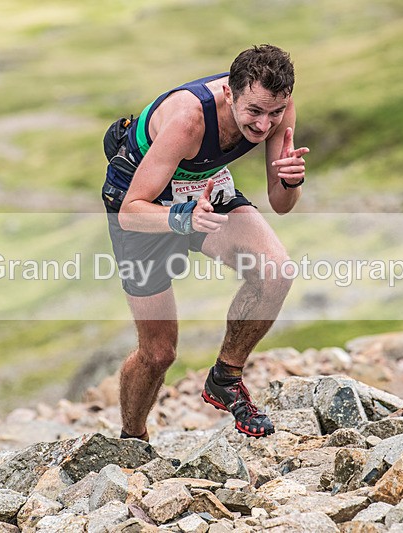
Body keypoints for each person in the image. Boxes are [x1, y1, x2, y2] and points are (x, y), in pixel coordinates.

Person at [101, 44, 309, 440]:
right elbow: (132, 210)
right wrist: (182, 218)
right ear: (230, 94)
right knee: (158, 353)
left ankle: (225, 377)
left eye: (275, 113)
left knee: (276, 272)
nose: (265, 125)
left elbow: (281, 205)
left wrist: (292, 180)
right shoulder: (188, 119)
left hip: (203, 186)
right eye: (254, 112)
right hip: (143, 198)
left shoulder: (278, 108)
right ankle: (133, 438)